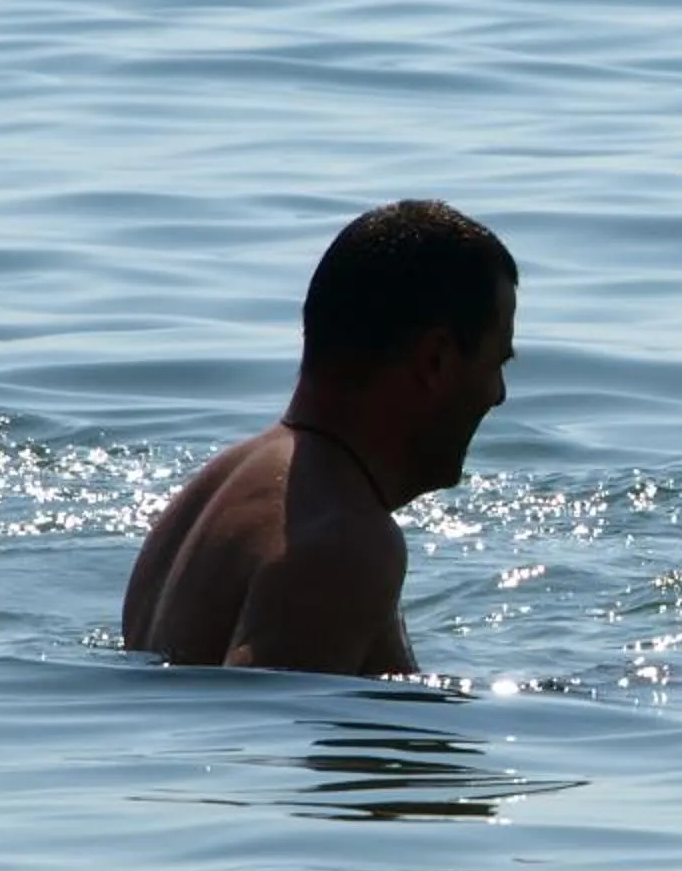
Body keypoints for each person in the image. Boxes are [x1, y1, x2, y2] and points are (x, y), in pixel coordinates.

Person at [122, 200, 518, 675]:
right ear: (434, 360)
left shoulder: (211, 492)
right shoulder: (342, 542)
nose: (498, 395)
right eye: (496, 363)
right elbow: (256, 727)